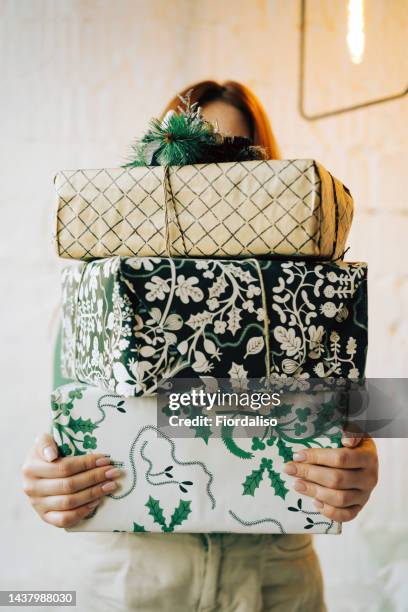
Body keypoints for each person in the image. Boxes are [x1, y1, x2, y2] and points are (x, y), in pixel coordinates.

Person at [22, 81, 378, 612]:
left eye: (239, 167)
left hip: (274, 579)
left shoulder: (310, 292)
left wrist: (361, 458)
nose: (215, 192)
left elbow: (345, 406)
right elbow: (71, 428)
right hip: (134, 578)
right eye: (197, 165)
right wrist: (47, 482)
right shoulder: (99, 299)